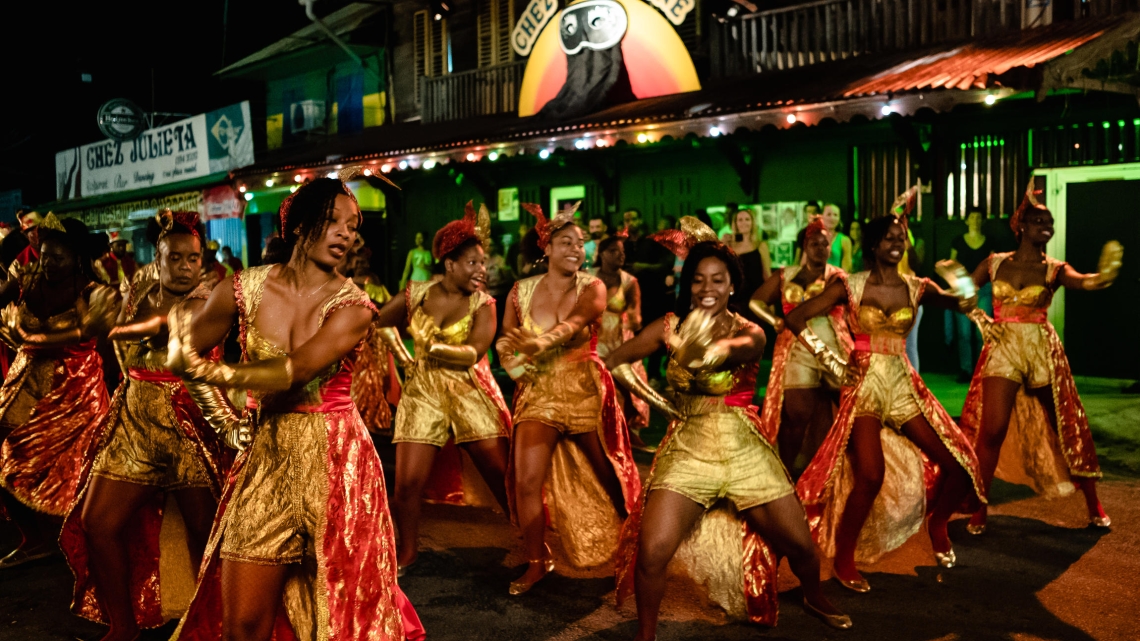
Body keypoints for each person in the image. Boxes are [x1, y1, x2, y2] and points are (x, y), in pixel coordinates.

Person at [165, 177, 421, 641]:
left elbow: (295, 370)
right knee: (242, 622)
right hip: (267, 457)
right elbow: (184, 353)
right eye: (335, 222)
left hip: (339, 463)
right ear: (301, 225)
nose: (347, 234)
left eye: (353, 226)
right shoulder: (241, 289)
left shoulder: (356, 306)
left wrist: (220, 376)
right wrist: (225, 423)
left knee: (344, 619)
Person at [607, 217, 850, 636]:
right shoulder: (666, 327)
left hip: (743, 447)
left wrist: (699, 346)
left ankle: (814, 594)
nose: (706, 289)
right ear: (689, 284)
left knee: (801, 546)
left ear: (732, 286)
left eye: (717, 280)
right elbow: (613, 362)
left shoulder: (750, 332)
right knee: (651, 552)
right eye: (698, 280)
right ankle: (645, 634)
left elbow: (725, 351)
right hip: (688, 448)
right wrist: (661, 404)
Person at [787, 208, 984, 592]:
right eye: (890, 238)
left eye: (902, 238)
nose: (898, 243)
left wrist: (962, 283)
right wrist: (829, 359)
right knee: (871, 474)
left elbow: (962, 306)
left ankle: (938, 524)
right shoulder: (850, 285)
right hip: (864, 388)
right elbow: (796, 318)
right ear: (874, 245)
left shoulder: (919, 286)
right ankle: (845, 557)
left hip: (902, 384)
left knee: (958, 463)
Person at [60, 211, 225, 641]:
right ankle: (123, 628)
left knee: (208, 537)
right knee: (97, 522)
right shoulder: (139, 289)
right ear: (158, 257)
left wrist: (107, 326)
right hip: (134, 422)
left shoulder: (210, 298)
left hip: (190, 424)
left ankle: (215, 627)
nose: (187, 267)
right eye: (177, 258)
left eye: (194, 258)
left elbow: (168, 336)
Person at [958, 185, 1120, 534]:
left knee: (1066, 426)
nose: (1045, 225)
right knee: (992, 431)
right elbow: (963, 294)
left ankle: (1094, 504)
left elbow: (1081, 282)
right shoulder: (994, 262)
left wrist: (1101, 279)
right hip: (1003, 349)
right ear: (1021, 226)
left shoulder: (1055, 269)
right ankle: (980, 507)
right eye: (1037, 220)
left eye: (1049, 221)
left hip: (1041, 350)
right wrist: (982, 320)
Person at [497, 203, 640, 596]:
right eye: (566, 242)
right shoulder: (519, 290)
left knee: (609, 475)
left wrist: (538, 342)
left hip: (584, 389)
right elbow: (504, 340)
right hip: (539, 389)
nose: (576, 249)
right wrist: (512, 365)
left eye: (580, 243)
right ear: (546, 248)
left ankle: (634, 550)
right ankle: (537, 560)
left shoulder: (593, 286)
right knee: (526, 480)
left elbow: (576, 323)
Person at [377, 202, 513, 572]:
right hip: (423, 392)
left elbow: (472, 352)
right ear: (449, 263)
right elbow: (375, 320)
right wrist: (403, 356)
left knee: (502, 477)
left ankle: (532, 542)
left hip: (468, 390)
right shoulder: (416, 293)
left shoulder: (485, 303)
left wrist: (431, 343)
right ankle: (408, 551)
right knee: (406, 484)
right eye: (473, 262)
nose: (481, 270)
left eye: (483, 263)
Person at [0, 215, 115, 568]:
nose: (49, 264)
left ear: (77, 259)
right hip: (25, 380)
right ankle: (35, 537)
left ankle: (76, 538)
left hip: (74, 388)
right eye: (45, 256)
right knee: (4, 450)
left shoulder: (93, 292)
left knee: (73, 466)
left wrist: (26, 337)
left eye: (58, 258)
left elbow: (84, 334)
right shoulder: (29, 280)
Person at [750, 219, 851, 473]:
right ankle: (786, 474)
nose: (820, 248)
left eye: (825, 244)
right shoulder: (786, 275)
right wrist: (774, 320)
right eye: (814, 243)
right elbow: (756, 301)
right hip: (796, 349)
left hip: (833, 349)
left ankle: (840, 472)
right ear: (804, 246)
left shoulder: (839, 277)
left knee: (851, 413)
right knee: (795, 416)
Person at [589, 234, 649, 446]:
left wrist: (632, 318)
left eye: (622, 252)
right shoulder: (588, 278)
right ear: (602, 254)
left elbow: (636, 316)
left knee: (626, 389)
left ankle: (627, 436)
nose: (620, 256)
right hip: (595, 341)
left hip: (621, 340)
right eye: (614, 251)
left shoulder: (629, 282)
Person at [350, 251, 402, 435]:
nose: (360, 266)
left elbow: (386, 304)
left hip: (375, 333)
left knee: (379, 373)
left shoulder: (374, 281)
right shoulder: (347, 281)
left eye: (362, 262)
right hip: (358, 336)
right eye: (357, 263)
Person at [622, 208, 675, 381]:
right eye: (627, 220)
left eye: (634, 219)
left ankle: (653, 373)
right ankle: (636, 373)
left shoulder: (652, 241)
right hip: (631, 297)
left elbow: (666, 264)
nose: (631, 223)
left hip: (653, 294)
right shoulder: (624, 244)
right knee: (633, 334)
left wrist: (644, 267)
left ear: (640, 220)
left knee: (653, 333)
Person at [945, 210, 994, 381]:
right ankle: (966, 369)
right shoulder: (958, 241)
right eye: (972, 217)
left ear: (983, 221)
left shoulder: (989, 242)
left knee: (981, 332)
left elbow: (993, 266)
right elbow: (951, 265)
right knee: (964, 333)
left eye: (979, 217)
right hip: (964, 290)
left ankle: (982, 369)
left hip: (984, 289)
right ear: (966, 221)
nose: (975, 220)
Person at [726, 207, 771, 296]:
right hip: (734, 296)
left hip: (755, 295)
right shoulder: (729, 245)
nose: (744, 223)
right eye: (740, 220)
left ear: (752, 223)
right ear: (735, 223)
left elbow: (767, 275)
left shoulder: (760, 245)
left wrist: (770, 300)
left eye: (747, 219)